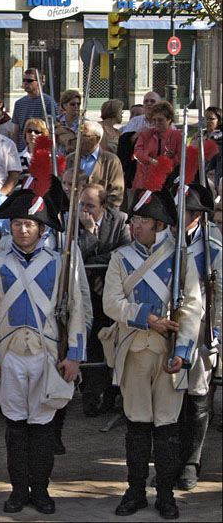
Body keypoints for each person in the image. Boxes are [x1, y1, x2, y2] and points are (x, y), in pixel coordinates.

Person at [0, 182, 86, 515]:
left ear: (40, 228)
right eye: (17, 224)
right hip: (10, 356)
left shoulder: (59, 263)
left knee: (42, 428)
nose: (22, 229)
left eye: (29, 224)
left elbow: (76, 311)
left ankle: (40, 490)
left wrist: (74, 356)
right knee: (15, 427)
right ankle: (17, 490)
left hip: (47, 356)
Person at [103, 180, 204, 519]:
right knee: (136, 426)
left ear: (159, 225)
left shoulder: (180, 256)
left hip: (169, 353)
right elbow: (111, 304)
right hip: (133, 350)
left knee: (167, 427)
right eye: (133, 220)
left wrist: (184, 352)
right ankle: (134, 492)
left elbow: (192, 307)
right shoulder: (121, 257)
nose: (134, 226)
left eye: (141, 221)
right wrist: (148, 318)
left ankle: (165, 494)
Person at [171, 183, 221, 491]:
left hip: (202, 328)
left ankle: (191, 461)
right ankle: (169, 461)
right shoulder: (165, 243)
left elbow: (219, 296)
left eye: (186, 211)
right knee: (170, 398)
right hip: (171, 328)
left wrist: (215, 333)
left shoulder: (213, 246)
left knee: (198, 398)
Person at [75, 184, 131, 417]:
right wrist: (88, 232)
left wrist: (99, 270)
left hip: (111, 291)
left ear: (104, 206)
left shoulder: (119, 220)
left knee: (112, 342)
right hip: (86, 294)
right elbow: (75, 252)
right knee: (92, 344)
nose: (84, 210)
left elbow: (125, 251)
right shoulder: (73, 222)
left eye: (90, 205)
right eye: (82, 204)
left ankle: (112, 394)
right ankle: (91, 395)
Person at [64, 121, 125, 209]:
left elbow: (116, 194)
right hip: (72, 213)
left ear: (97, 139)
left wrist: (99, 213)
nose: (78, 139)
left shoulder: (111, 161)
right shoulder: (70, 159)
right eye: (77, 135)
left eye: (84, 136)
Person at [132, 101, 182, 191]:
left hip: (168, 183)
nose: (156, 123)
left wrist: (165, 165)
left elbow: (180, 158)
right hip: (144, 182)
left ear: (169, 119)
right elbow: (137, 152)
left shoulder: (178, 136)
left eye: (160, 120)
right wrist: (150, 159)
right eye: (154, 120)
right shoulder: (146, 135)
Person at [10, 68, 58, 153]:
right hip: (22, 150)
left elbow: (53, 128)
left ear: (39, 82)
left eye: (29, 80)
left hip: (41, 150)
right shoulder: (19, 103)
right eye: (24, 80)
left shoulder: (48, 102)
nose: (26, 83)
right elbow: (16, 130)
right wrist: (14, 150)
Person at [54, 89, 84, 155]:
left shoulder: (85, 123)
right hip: (58, 160)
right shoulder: (55, 121)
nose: (76, 106)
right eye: (72, 104)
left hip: (76, 160)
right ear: (64, 105)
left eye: (78, 104)